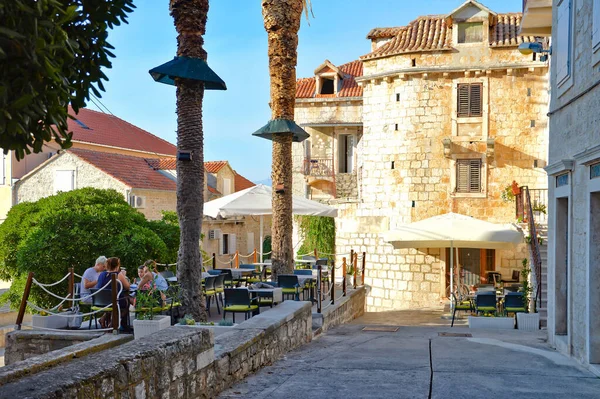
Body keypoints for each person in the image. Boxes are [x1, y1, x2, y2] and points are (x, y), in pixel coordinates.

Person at [96, 257, 131, 331]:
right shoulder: (118, 274)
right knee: (127, 301)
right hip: (114, 301)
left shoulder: (102, 274)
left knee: (115, 302)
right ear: (117, 266)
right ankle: (115, 323)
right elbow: (127, 287)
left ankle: (104, 318)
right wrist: (123, 275)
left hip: (101, 301)